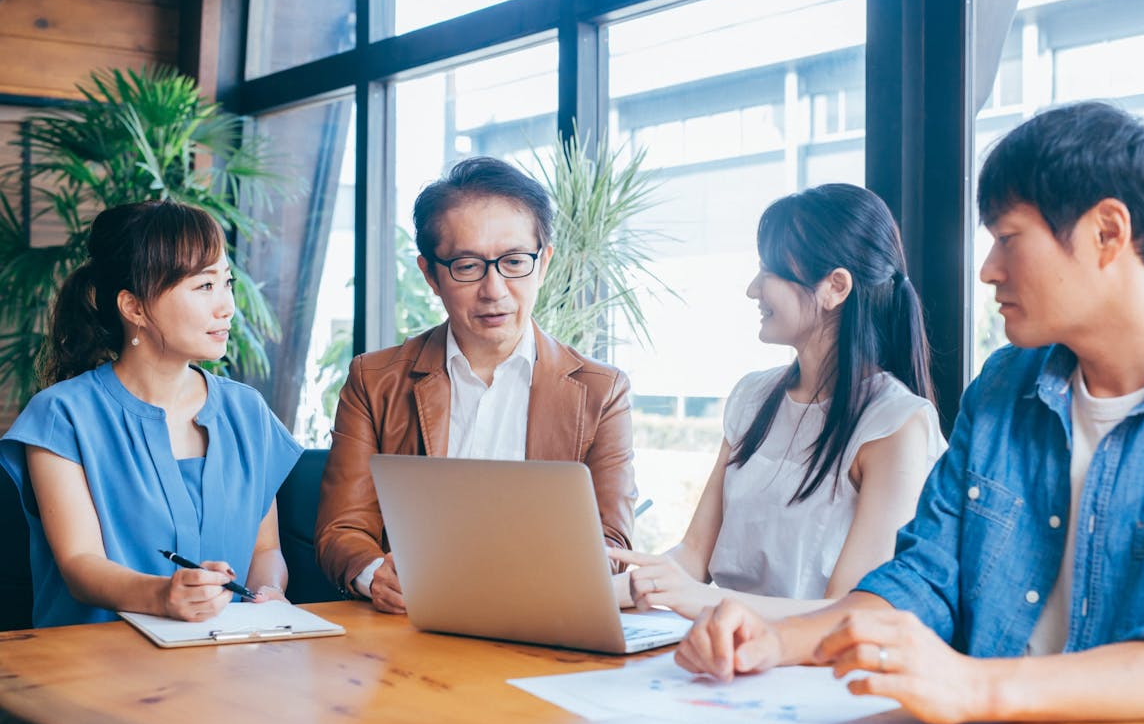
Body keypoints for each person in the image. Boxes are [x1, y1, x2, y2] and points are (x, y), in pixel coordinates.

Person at [674, 101, 1144, 724]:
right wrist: (780, 640)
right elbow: (922, 579)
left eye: (1007, 238)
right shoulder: (1003, 387)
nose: (987, 270)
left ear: (1107, 234)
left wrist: (975, 687)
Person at [315, 156, 636, 612]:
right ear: (431, 274)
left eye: (513, 262)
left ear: (543, 263)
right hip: (410, 629)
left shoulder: (601, 392)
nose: (494, 289)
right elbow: (341, 530)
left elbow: (613, 542)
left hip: (542, 622)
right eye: (467, 265)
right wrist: (374, 575)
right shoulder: (375, 379)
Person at [609, 184, 945, 619]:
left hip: (810, 671)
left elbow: (847, 612)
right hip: (719, 648)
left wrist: (702, 600)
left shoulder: (896, 424)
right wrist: (594, 593)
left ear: (834, 287)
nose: (753, 289)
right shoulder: (753, 397)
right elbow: (693, 558)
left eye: (769, 271)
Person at [0, 200, 302, 627]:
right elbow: (79, 565)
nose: (227, 306)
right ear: (134, 308)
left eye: (227, 283)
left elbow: (264, 550)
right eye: (204, 286)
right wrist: (163, 595)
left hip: (227, 665)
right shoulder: (61, 416)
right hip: (96, 670)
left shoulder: (247, 411)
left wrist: (267, 593)